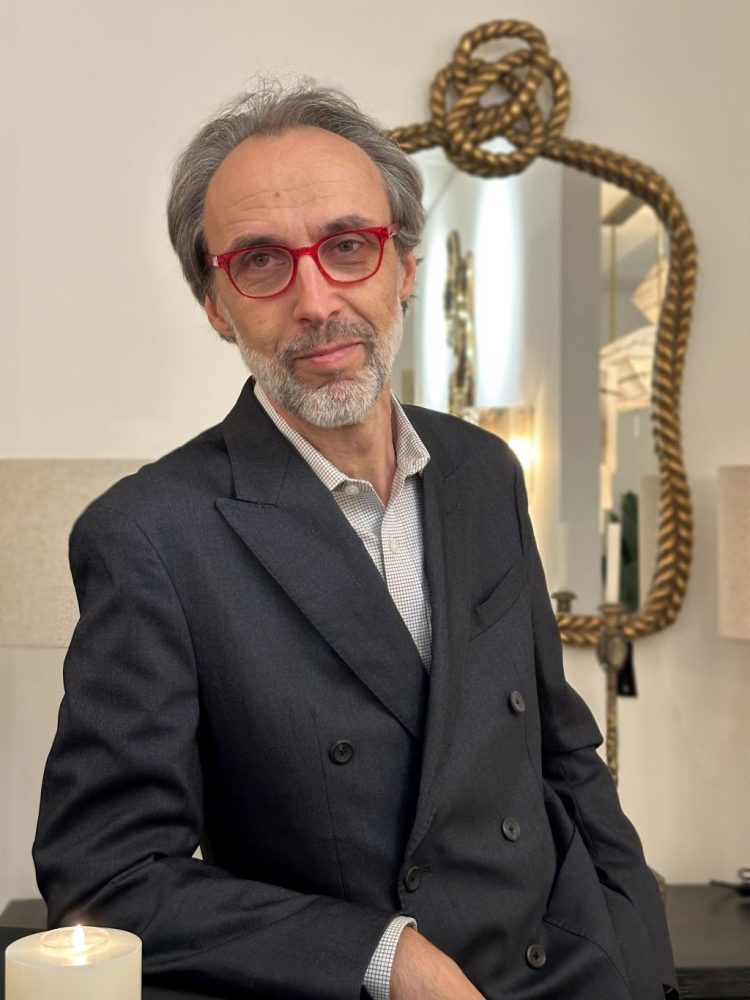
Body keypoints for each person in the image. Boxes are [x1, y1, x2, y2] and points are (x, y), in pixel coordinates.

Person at [34, 81, 677, 1000]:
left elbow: (561, 748)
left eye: (347, 246)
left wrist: (637, 949)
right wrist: (386, 956)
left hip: (569, 973)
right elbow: (107, 873)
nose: (315, 300)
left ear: (403, 266)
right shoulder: (150, 535)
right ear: (216, 304)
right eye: (261, 261)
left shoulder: (485, 471)